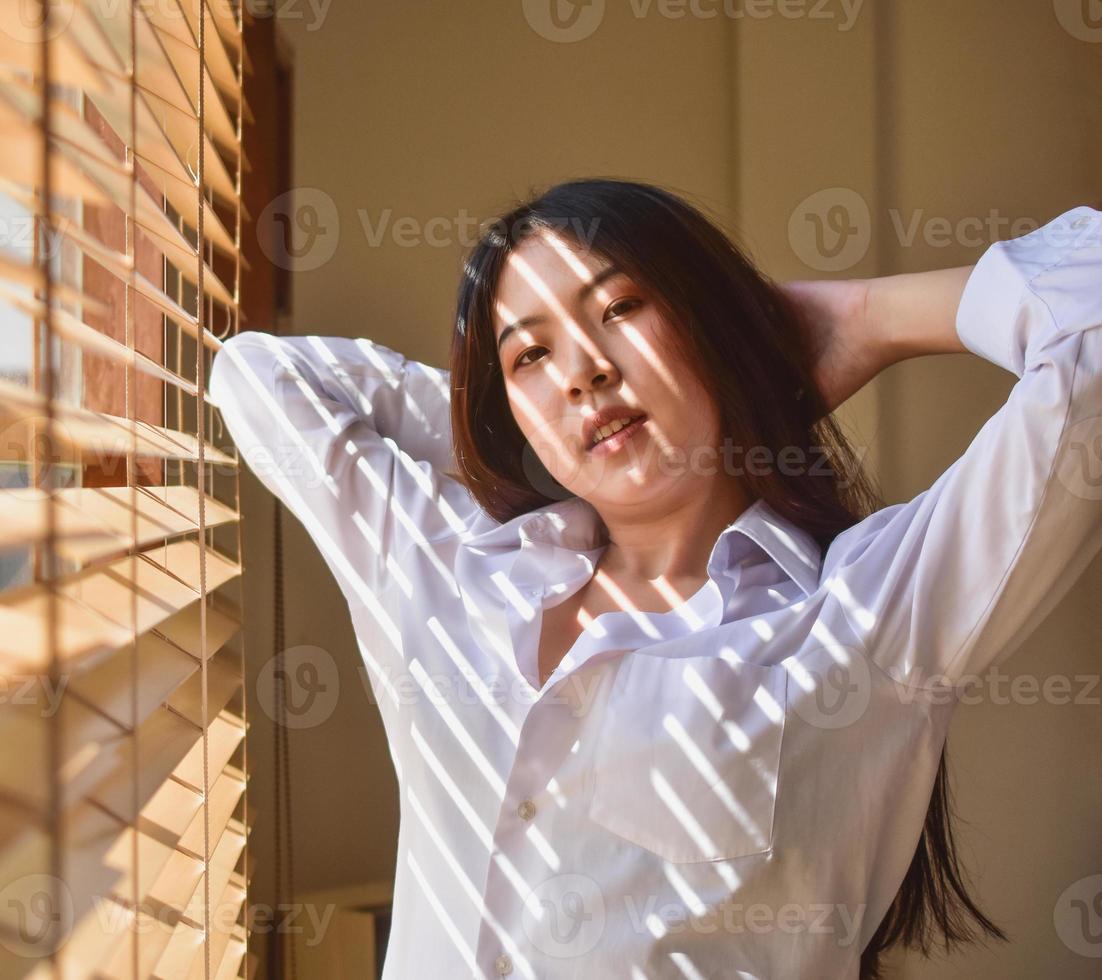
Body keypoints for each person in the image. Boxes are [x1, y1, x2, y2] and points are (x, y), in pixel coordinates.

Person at [208, 178, 1102, 979]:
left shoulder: (863, 620)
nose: (585, 372)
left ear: (714, 324)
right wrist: (513, 446)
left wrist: (860, 319)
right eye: (530, 355)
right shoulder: (452, 575)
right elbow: (259, 375)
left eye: (620, 309)